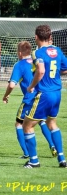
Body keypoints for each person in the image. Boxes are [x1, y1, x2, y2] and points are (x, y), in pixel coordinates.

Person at [22, 24, 67, 168]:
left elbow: (40, 71)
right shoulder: (58, 50)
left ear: (36, 37)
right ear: (50, 37)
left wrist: (31, 86)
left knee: (27, 125)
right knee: (51, 123)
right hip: (57, 93)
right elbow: (64, 69)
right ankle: (62, 159)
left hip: (44, 94)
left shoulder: (38, 53)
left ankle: (34, 161)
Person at [2, 41, 56, 159]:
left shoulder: (20, 65)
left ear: (20, 53)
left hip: (29, 99)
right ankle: (53, 145)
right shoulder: (38, 61)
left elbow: (11, 85)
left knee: (19, 124)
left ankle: (27, 153)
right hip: (43, 97)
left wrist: (6, 95)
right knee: (41, 121)